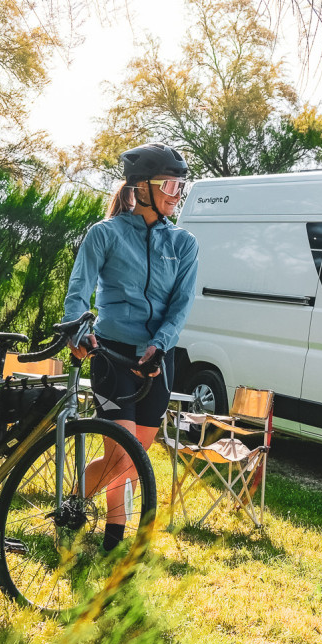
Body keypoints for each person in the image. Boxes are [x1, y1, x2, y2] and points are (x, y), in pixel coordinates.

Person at [62, 142, 198, 549]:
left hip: (158, 359)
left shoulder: (184, 244)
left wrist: (160, 344)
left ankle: (79, 510)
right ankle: (96, 528)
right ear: (143, 188)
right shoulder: (104, 234)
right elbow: (78, 291)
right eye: (172, 185)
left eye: (181, 186)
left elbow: (181, 306)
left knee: (136, 459)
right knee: (122, 454)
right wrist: (77, 332)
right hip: (112, 353)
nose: (178, 194)